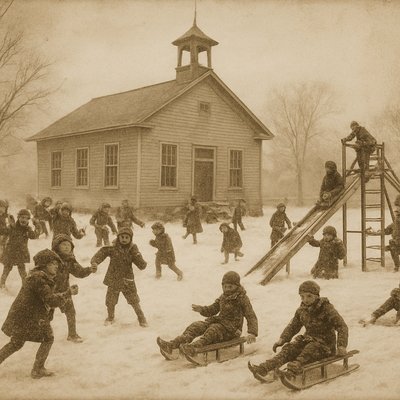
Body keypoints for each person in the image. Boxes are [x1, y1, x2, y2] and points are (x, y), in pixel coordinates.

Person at [0, 249, 78, 379]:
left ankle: (37, 368)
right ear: (44, 265)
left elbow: (47, 298)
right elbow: (50, 300)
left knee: (16, 343)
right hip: (30, 317)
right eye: (53, 263)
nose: (56, 266)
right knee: (48, 337)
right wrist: (68, 293)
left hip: (22, 316)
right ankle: (38, 369)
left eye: (56, 263)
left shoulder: (37, 277)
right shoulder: (39, 279)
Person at [248, 280, 348, 380]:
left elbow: (341, 326)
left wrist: (341, 345)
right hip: (308, 340)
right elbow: (293, 326)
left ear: (317, 296)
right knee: (290, 348)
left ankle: (293, 370)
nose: (306, 300)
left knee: (311, 349)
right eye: (302, 296)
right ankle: (266, 367)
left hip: (325, 346)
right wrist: (282, 339)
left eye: (309, 296)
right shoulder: (302, 310)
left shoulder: (326, 308)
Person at [156, 271, 258, 357]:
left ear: (237, 286)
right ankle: (173, 344)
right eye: (225, 286)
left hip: (232, 330)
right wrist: (202, 309)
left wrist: (252, 333)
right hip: (220, 324)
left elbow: (250, 315)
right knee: (197, 326)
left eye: (230, 287)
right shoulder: (223, 297)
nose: (227, 289)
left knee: (213, 329)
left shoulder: (242, 298)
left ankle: (195, 347)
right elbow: (213, 309)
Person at [90, 227, 148, 327]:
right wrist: (95, 262)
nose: (124, 239)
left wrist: (138, 256)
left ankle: (141, 318)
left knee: (134, 300)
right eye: (122, 237)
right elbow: (102, 253)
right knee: (110, 301)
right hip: (113, 279)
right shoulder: (113, 248)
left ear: (130, 239)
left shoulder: (132, 249)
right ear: (118, 237)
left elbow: (142, 265)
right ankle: (110, 317)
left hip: (127, 280)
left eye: (127, 237)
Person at [52, 234, 96, 342]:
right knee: (46, 314)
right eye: (63, 245)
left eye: (69, 245)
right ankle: (39, 333)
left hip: (65, 290)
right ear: (57, 247)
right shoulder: (51, 259)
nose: (66, 247)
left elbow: (79, 272)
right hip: (50, 291)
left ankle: (72, 334)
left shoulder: (70, 260)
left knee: (70, 312)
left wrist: (90, 269)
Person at [0, 209, 40, 289]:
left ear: (28, 219)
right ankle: (1, 284)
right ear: (18, 218)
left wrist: (37, 225)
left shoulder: (28, 229)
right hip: (10, 251)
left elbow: (34, 236)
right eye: (22, 217)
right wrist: (7, 224)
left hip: (21, 252)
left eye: (26, 218)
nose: (23, 220)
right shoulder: (13, 226)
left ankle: (25, 286)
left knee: (22, 270)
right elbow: (3, 231)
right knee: (7, 268)